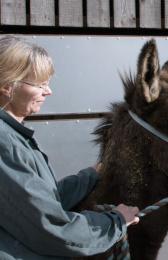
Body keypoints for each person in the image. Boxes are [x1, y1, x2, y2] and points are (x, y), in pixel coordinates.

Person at [0, 35, 140, 259]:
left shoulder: (12, 136)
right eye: (40, 84)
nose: (48, 92)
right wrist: (115, 221)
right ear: (8, 87)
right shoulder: (4, 143)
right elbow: (49, 227)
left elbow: (37, 202)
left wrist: (89, 176)